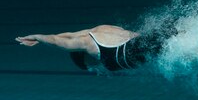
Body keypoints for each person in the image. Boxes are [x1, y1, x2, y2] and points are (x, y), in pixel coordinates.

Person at [16, 24, 166, 72]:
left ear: (83, 56)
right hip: (150, 39)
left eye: (88, 66)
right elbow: (68, 35)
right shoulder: (99, 29)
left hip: (148, 48)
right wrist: (42, 40)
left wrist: (37, 37)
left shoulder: (88, 44)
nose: (94, 67)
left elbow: (57, 41)